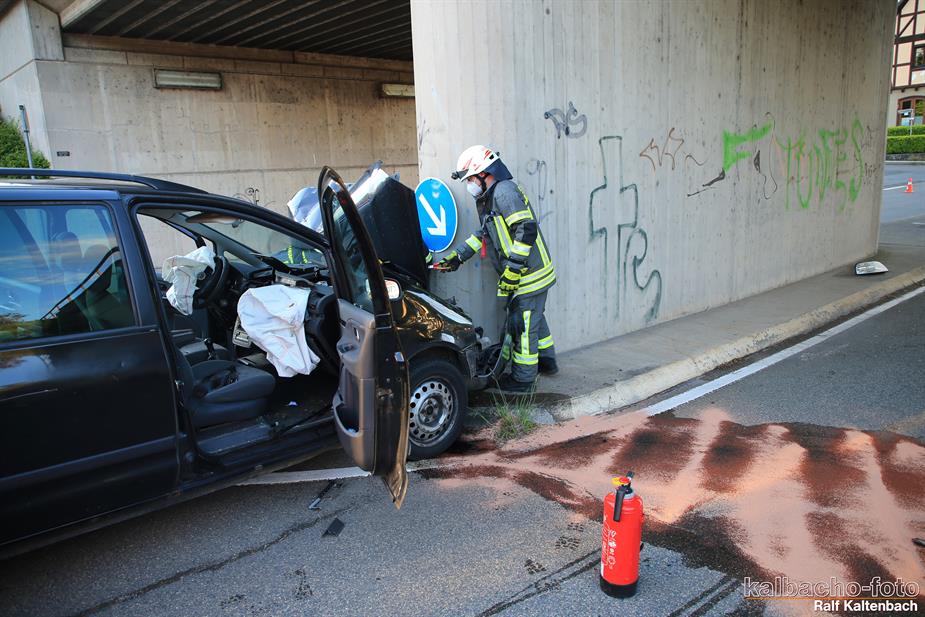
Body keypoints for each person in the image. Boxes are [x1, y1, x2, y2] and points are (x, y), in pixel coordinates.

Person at [436, 145, 557, 392]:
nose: (469, 184)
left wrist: (513, 270)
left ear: (484, 173)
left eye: (470, 178)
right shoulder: (489, 198)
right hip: (530, 274)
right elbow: (484, 234)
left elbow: (526, 229)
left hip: (529, 275)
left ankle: (523, 379)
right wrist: (457, 257)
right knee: (534, 317)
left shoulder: (504, 192)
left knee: (523, 325)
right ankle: (546, 360)